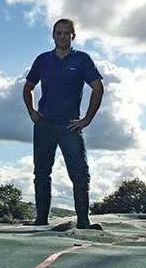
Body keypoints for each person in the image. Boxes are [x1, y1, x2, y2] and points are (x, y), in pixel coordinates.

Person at [23, 18, 104, 228]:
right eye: (58, 33)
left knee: (80, 174)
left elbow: (97, 87)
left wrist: (87, 119)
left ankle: (83, 222)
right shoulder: (42, 60)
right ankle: (41, 219)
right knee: (41, 172)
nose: (62, 36)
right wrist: (32, 112)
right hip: (45, 124)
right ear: (53, 36)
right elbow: (28, 87)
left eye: (66, 33)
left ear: (73, 36)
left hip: (70, 126)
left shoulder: (82, 60)